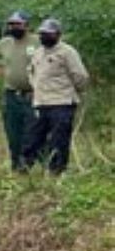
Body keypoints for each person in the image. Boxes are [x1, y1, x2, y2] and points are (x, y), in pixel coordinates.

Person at [24, 18, 91, 175]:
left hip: (62, 102)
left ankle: (57, 171)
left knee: (59, 140)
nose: (44, 37)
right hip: (40, 102)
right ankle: (24, 168)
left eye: (48, 34)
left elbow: (80, 76)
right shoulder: (38, 52)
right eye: (42, 34)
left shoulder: (67, 52)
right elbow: (31, 72)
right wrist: (36, 87)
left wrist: (70, 91)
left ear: (58, 34)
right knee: (33, 138)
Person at [0, 12, 37, 168]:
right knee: (13, 133)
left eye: (18, 24)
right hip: (12, 95)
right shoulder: (5, 43)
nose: (14, 27)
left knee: (32, 132)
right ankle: (17, 166)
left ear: (26, 25)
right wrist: (0, 71)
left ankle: (31, 163)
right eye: (11, 24)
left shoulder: (37, 41)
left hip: (33, 94)